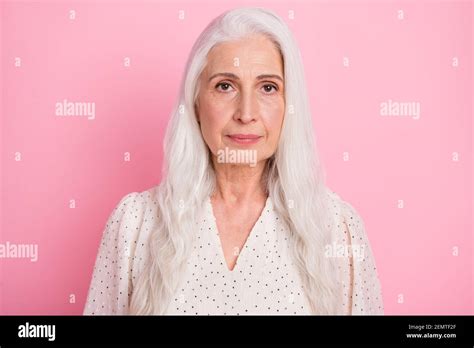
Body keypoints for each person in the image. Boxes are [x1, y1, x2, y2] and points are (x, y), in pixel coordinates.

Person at [84, 7, 383, 315]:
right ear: (196, 101)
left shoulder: (336, 228)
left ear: (289, 104)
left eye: (268, 87)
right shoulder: (135, 223)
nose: (246, 113)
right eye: (225, 86)